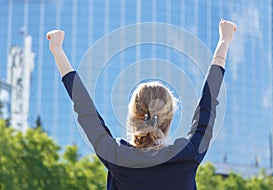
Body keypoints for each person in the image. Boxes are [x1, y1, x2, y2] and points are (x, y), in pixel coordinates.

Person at [47, 19, 236, 190]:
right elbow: (207, 106)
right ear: (168, 119)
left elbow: (85, 110)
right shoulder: (187, 155)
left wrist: (58, 52)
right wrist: (224, 42)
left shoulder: (117, 157)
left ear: (133, 116)